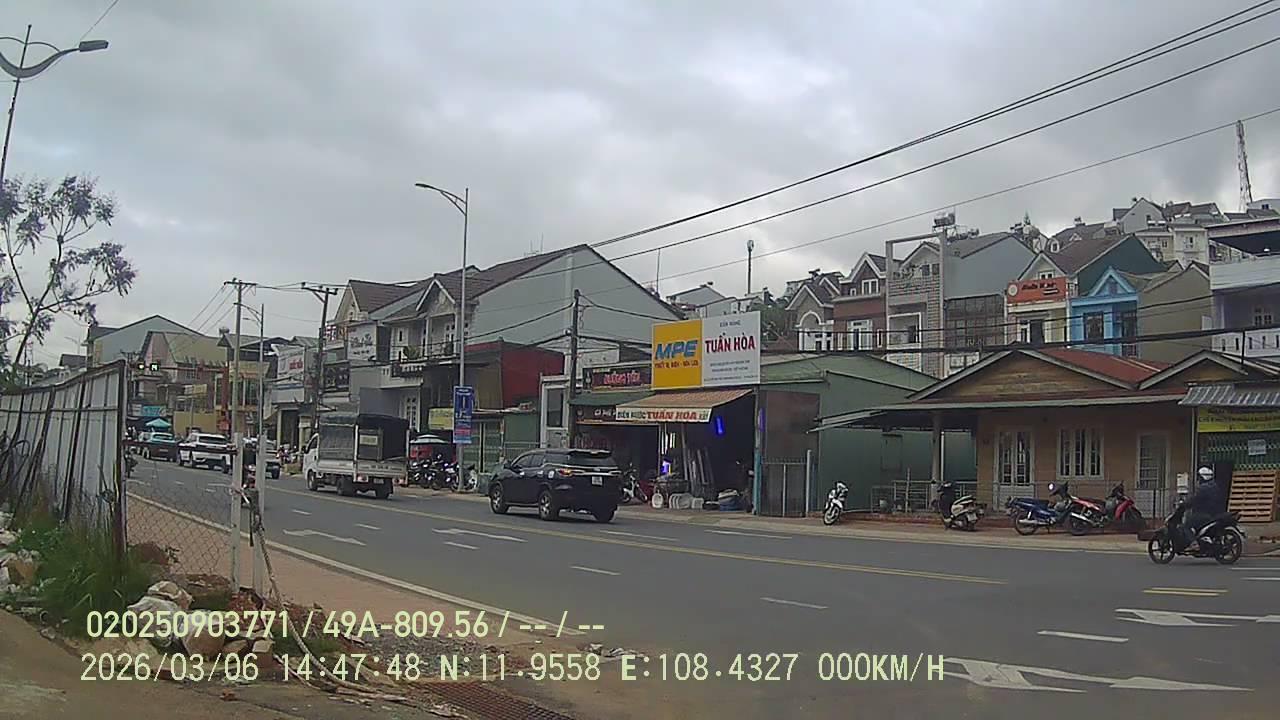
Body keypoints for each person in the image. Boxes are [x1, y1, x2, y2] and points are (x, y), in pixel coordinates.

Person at [1182, 466, 1225, 554]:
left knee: (1186, 525)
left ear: (1202, 477)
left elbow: (1194, 499)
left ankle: (1194, 543)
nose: (1198, 480)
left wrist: (1185, 504)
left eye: (1199, 477)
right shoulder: (1215, 486)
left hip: (1204, 514)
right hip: (1216, 514)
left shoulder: (1203, 488)